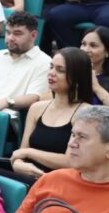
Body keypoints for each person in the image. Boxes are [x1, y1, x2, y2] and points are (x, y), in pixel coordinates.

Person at [8, 48, 93, 182]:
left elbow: (71, 161)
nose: (51, 73)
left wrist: (30, 153)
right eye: (51, 67)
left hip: (58, 181)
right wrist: (18, 164)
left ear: (77, 76)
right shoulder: (36, 108)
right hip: (29, 175)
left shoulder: (85, 113)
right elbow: (21, 152)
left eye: (60, 70)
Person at [0, 12, 51, 112]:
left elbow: (35, 97)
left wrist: (6, 102)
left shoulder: (45, 62)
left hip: (7, 118)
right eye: (8, 32)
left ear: (33, 35)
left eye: (17, 34)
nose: (10, 38)